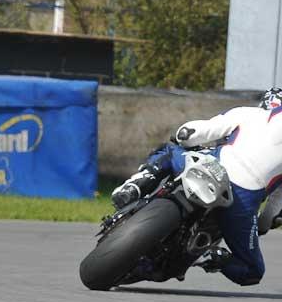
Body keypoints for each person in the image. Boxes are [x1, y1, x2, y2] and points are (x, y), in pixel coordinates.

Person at [110, 87, 282, 286]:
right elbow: (274, 208)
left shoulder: (248, 113)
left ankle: (134, 186)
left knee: (169, 151)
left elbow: (195, 132)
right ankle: (211, 256)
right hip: (242, 201)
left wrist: (182, 138)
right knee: (252, 271)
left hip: (212, 163)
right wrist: (262, 225)